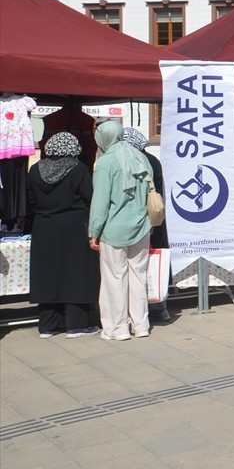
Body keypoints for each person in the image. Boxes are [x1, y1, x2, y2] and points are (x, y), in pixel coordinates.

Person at [26, 133, 99, 338]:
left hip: (43, 227)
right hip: (74, 227)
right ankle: (77, 325)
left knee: (47, 275)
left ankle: (48, 325)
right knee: (76, 274)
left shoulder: (34, 170)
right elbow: (89, 197)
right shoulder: (78, 169)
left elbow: (30, 200)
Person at [88, 120, 153, 341]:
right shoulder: (140, 157)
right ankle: (141, 325)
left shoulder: (105, 162)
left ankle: (117, 328)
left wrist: (93, 231)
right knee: (138, 277)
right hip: (142, 226)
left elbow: (100, 202)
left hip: (114, 230)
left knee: (114, 279)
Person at [124, 127, 171, 323]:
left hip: (135, 221)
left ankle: (134, 311)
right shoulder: (153, 160)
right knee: (154, 264)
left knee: (134, 267)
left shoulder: (128, 161)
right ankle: (159, 306)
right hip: (156, 220)